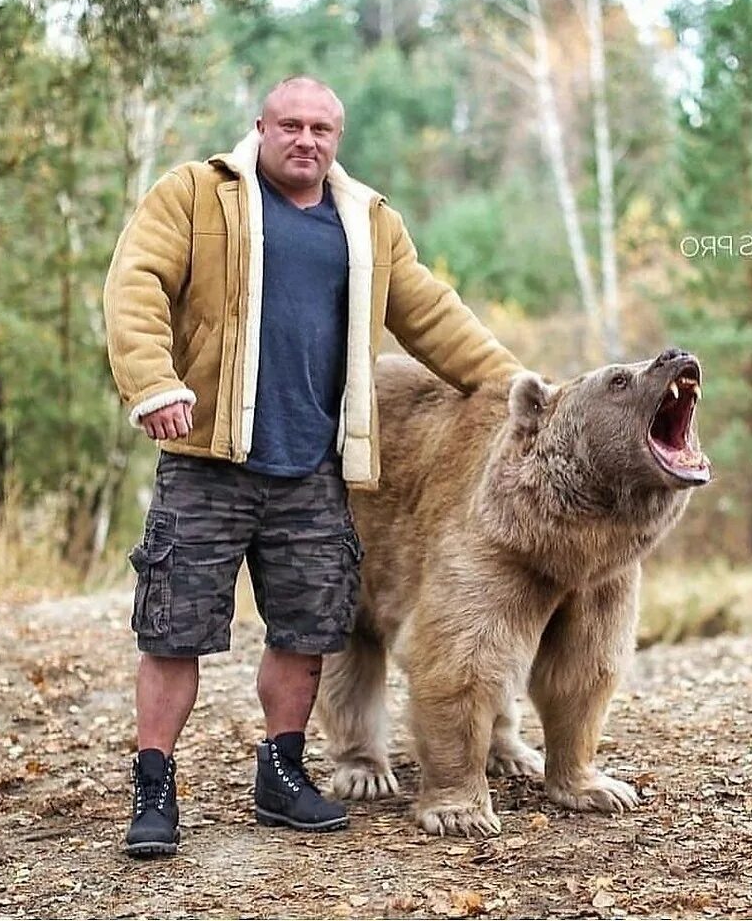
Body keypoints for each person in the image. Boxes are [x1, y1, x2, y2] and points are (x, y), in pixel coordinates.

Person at [103, 76, 523, 857]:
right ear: (260, 127)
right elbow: (136, 285)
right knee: (174, 633)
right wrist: (153, 382)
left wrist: (529, 395)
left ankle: (283, 772)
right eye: (291, 125)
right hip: (207, 459)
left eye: (322, 128)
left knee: (306, 633)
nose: (306, 140)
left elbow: (432, 315)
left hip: (313, 468)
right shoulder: (196, 195)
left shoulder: (366, 221)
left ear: (338, 137)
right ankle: (154, 787)